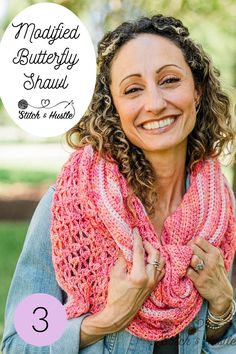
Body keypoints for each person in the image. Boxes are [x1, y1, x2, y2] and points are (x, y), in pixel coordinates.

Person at [1, 14, 236, 354]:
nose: (155, 103)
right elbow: (18, 345)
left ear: (197, 91)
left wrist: (221, 311)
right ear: (115, 107)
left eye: (169, 80)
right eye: (133, 89)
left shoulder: (221, 212)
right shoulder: (66, 208)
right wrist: (108, 320)